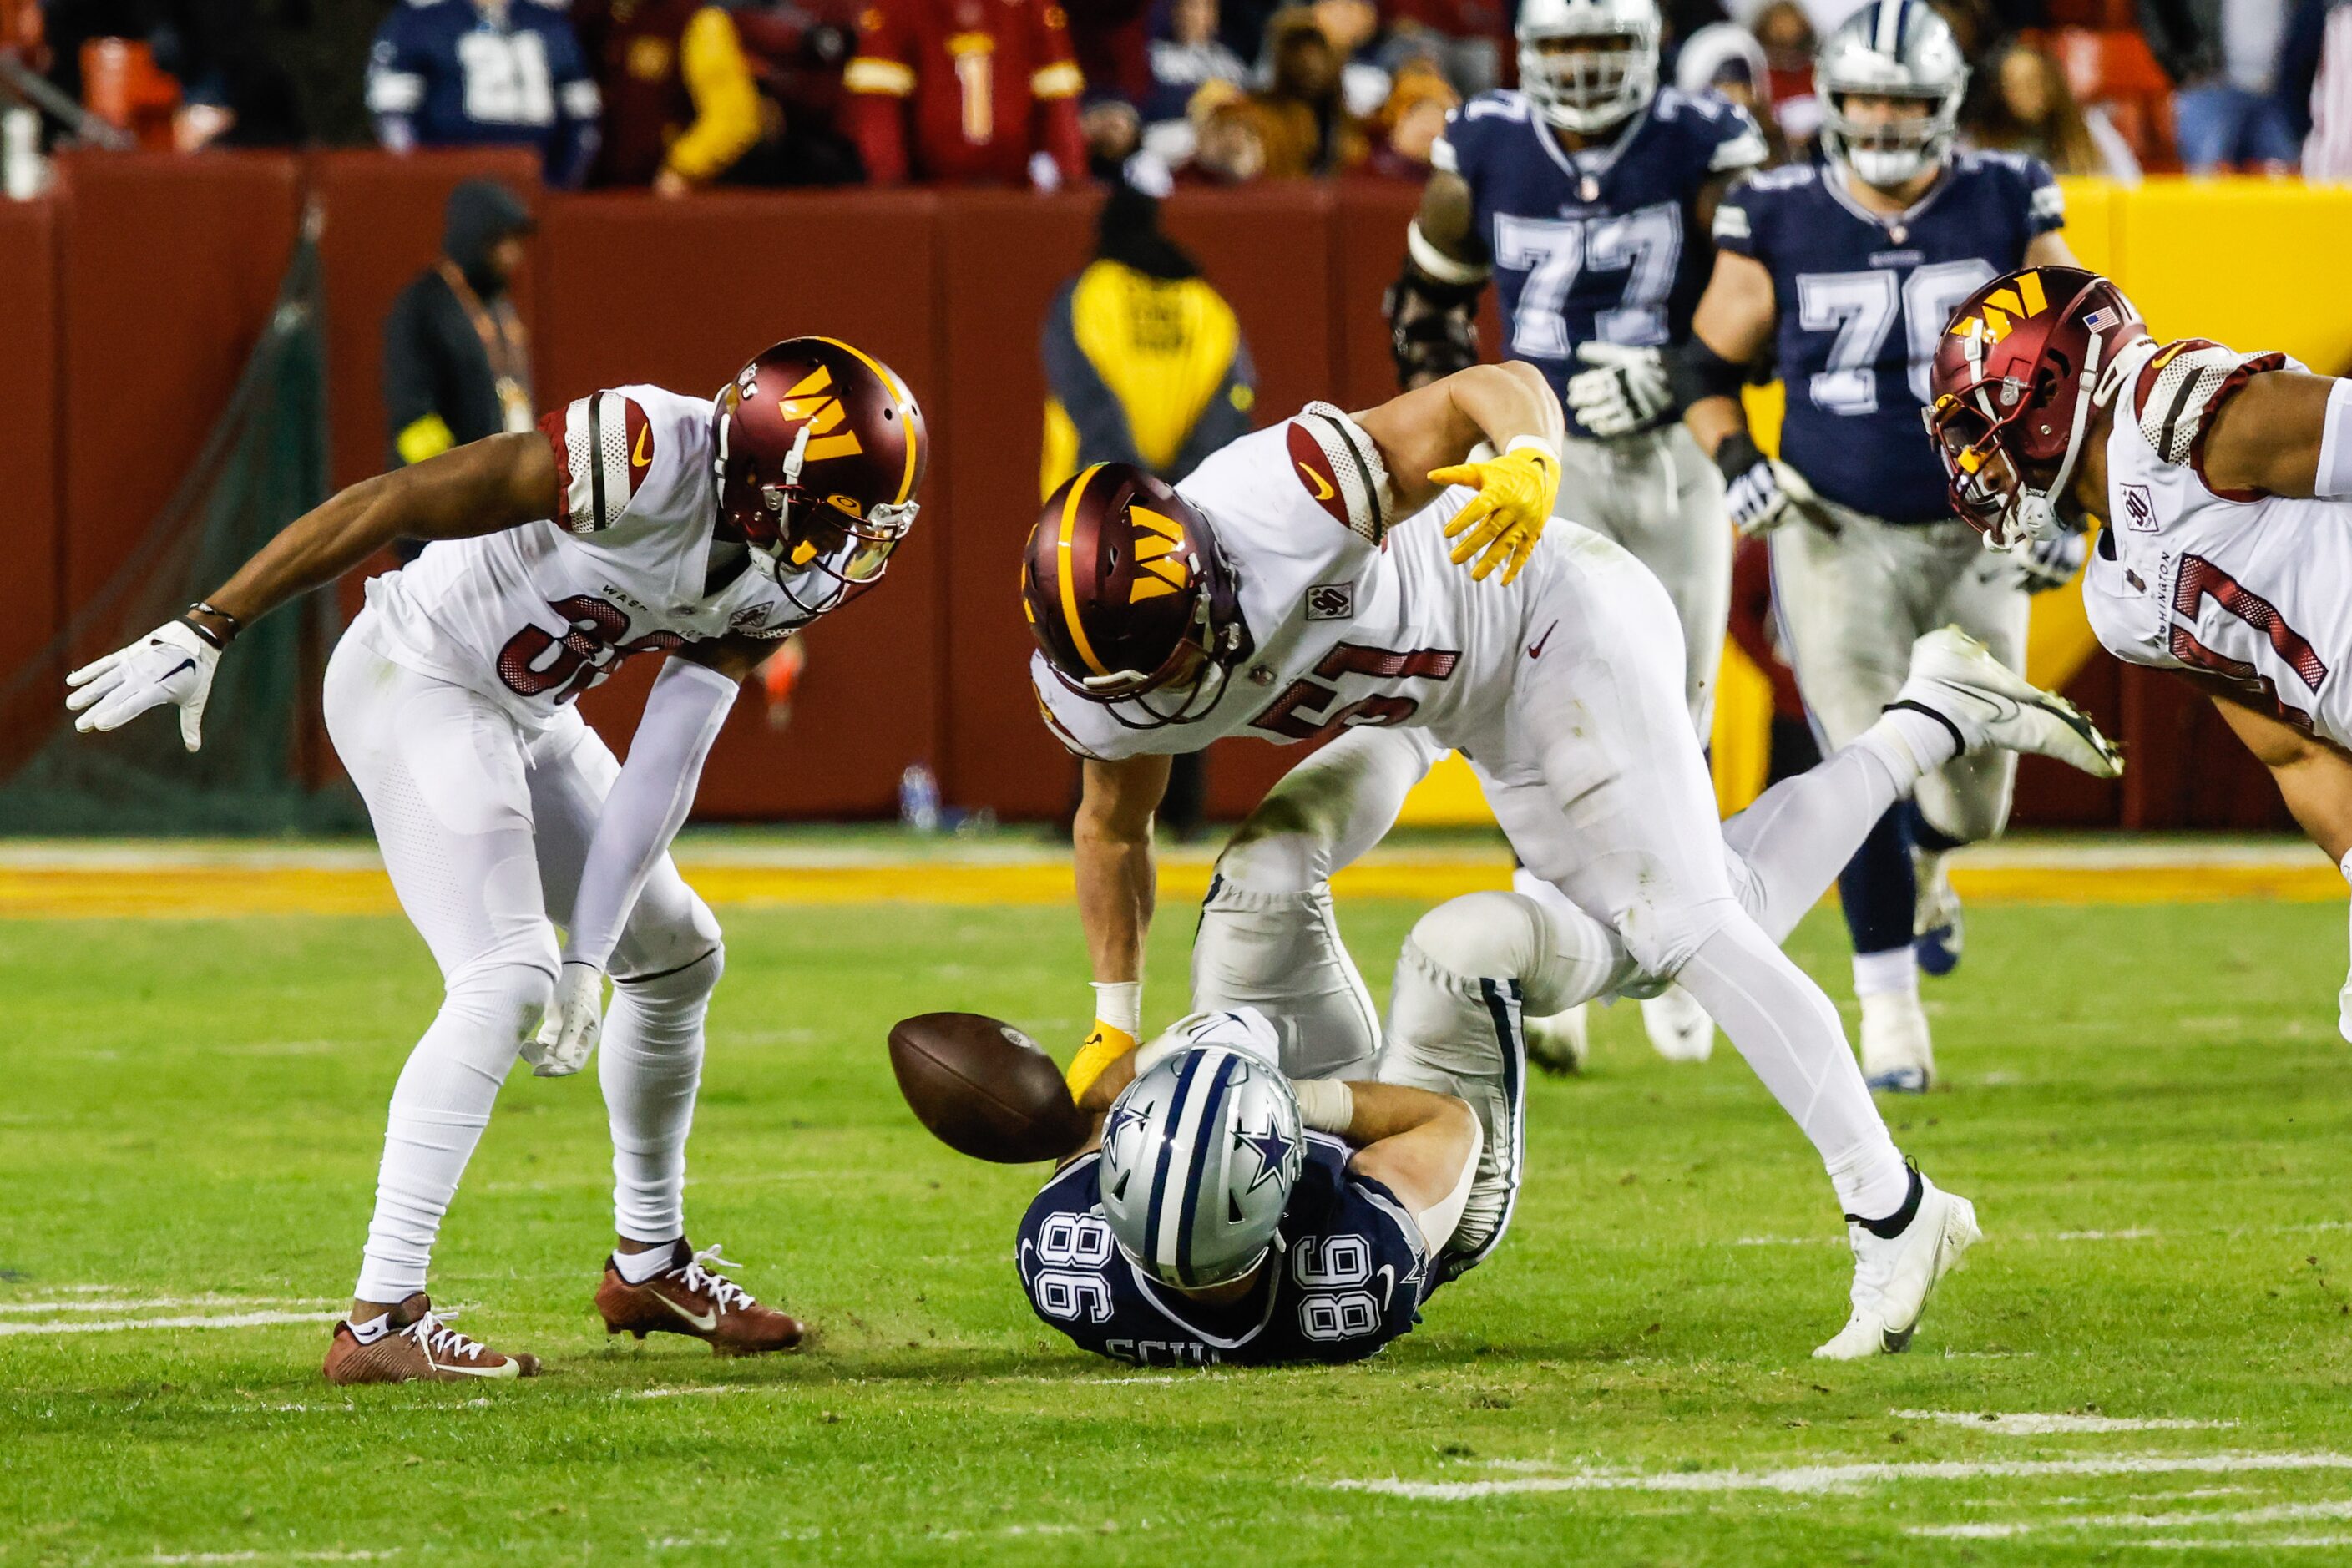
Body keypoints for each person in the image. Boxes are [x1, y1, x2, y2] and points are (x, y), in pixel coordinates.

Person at [1019, 362, 2122, 1357]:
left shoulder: (1281, 501)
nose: (1164, 694)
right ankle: (1933, 715)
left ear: (1210, 578)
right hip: (1425, 697)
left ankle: (1894, 1208)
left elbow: (1484, 387)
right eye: (1135, 685)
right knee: (1279, 873)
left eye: (1172, 658)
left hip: (1548, 616)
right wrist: (1114, 1016)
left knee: (1681, 929)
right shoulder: (1101, 684)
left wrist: (1528, 458)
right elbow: (1112, 827)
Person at [67, 338, 928, 1383]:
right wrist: (212, 623)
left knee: (677, 954)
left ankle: (648, 1260)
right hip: (417, 673)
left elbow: (667, 759)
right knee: (507, 973)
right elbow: (394, 499)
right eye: (831, 516)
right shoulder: (642, 453)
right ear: (756, 480)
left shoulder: (787, 570)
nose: (846, 549)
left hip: (528, 708)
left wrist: (596, 955)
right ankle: (383, 1315)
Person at [1673, 0, 2077, 1094]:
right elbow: (1704, 366)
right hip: (1832, 531)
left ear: (1944, 105)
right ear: (1833, 102)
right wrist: (1732, 461)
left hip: (1978, 528)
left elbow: (2082, 354)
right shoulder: (1779, 210)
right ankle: (1889, 1014)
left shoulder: (2003, 196)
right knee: (1859, 776)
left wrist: (2069, 507)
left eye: (1903, 98)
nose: (1883, 117)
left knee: (1970, 801)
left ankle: (1936, 868)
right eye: (1863, 97)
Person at [1388, 0, 1766, 1061]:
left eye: (1607, 45)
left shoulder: (1705, 141)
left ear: (1644, 50)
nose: (1589, 69)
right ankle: (1547, 959)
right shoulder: (1486, 146)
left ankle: (1685, 946)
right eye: (1568, 47)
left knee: (1678, 705)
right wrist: (1460, 439)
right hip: (1539, 468)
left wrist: (1685, 370)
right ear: (1532, 55)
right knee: (1539, 710)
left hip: (1671, 451)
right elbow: (1424, 312)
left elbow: (1762, 299)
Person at [1926, 265, 2352, 1038]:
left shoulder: (2175, 418)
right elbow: (2295, 751)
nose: (1974, 464)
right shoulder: (2114, 601)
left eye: (1980, 423)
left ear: (2050, 387)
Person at [1039, 178, 1257, 837]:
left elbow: (1079, 389)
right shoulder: (1204, 303)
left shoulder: (1086, 295)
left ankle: (1090, 806)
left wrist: (1126, 485)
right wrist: (1179, 487)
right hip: (1190, 506)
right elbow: (1235, 396)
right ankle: (1184, 810)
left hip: (1092, 505)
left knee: (1084, 654)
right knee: (1190, 649)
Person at [381, 180, 536, 569]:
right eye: (502, 243)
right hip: (444, 513)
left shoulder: (499, 306)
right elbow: (411, 415)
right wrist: (454, 487)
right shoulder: (422, 306)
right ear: (474, 239)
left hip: (498, 507)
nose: (513, 256)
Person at [842, 0, 1085, 185]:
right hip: (927, 190)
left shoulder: (1032, 8)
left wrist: (1071, 183)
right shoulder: (900, 7)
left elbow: (1060, 109)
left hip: (1018, 191)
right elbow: (879, 109)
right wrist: (890, 186)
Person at [367, 0, 603, 185]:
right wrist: (424, 176)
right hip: (451, 181)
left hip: (536, 180)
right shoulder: (423, 19)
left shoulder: (548, 22)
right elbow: (393, 114)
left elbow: (583, 118)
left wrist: (560, 182)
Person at [572, 0, 762, 193]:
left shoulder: (696, 20)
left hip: (659, 195)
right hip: (592, 188)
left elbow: (733, 118)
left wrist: (681, 169)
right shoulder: (593, 16)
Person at [1969, 38, 2137, 180]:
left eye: (2032, 81)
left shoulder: (2090, 130)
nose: (2025, 92)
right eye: (2013, 85)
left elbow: (2130, 184)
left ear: (2051, 83)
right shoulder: (1982, 145)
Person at [1247, 7, 1366, 175]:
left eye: (1318, 55)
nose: (1310, 66)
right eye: (1298, 54)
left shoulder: (1349, 128)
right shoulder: (1255, 117)